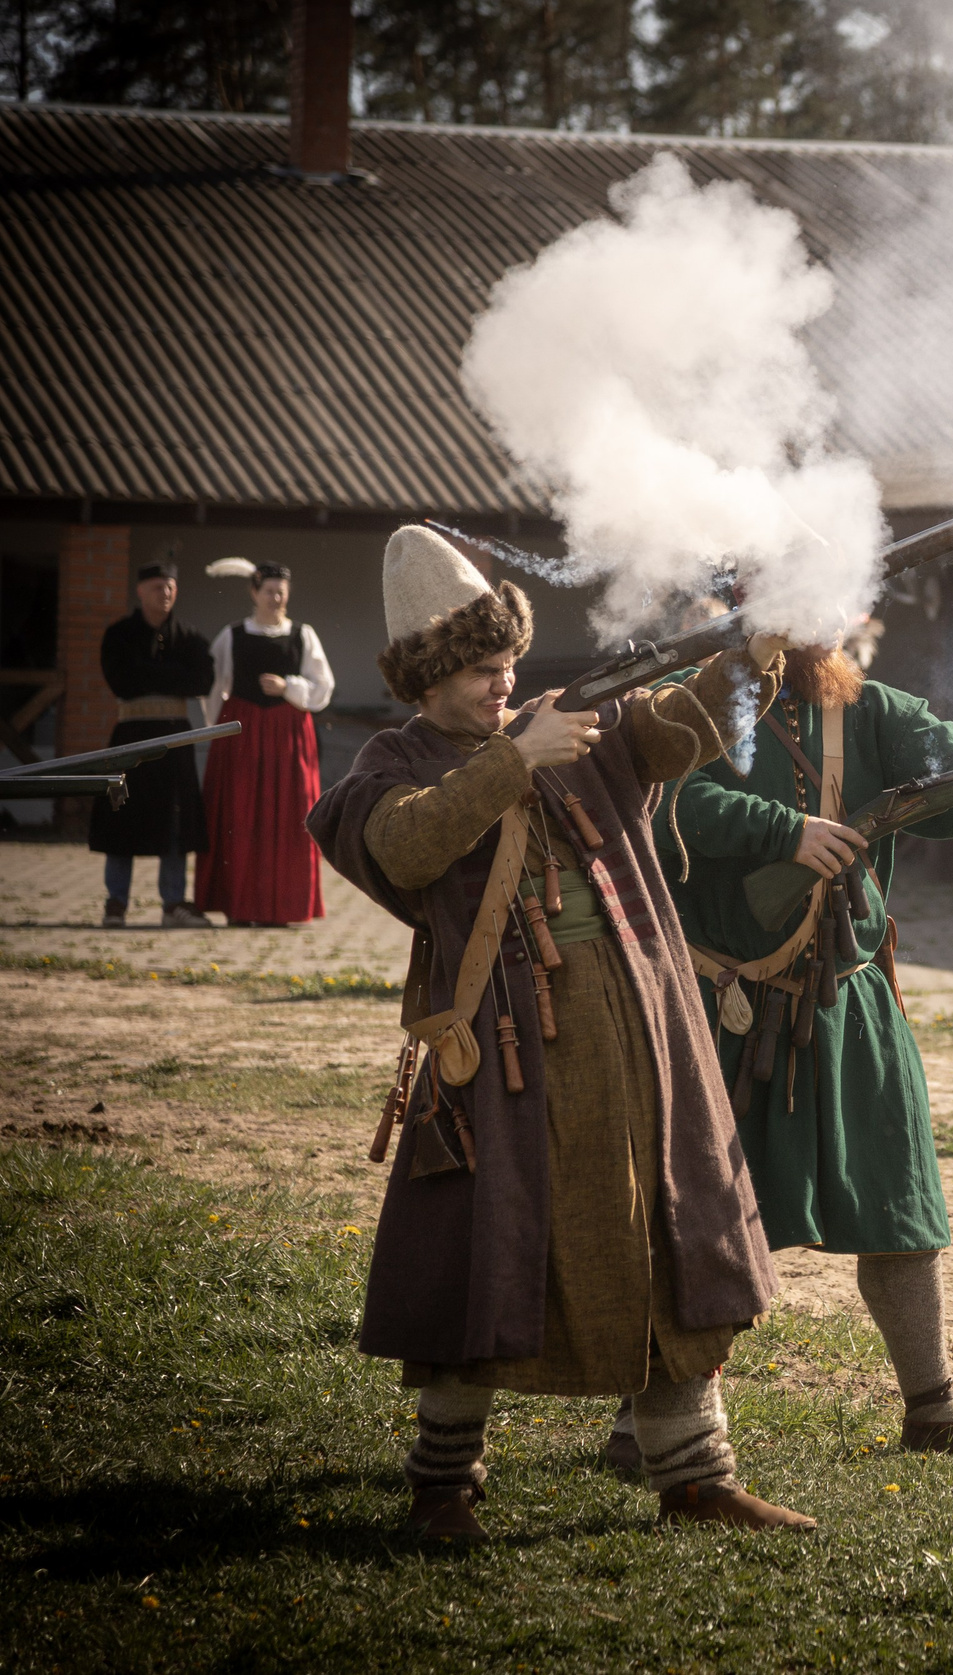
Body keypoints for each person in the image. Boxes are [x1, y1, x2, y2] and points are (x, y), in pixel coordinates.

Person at [307, 525, 811, 1541]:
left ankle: (694, 1473)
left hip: (635, 1013)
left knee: (673, 1231)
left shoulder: (564, 718)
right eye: (482, 669)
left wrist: (746, 658)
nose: (505, 682)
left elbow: (674, 729)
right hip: (495, 1040)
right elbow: (402, 847)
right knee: (477, 1247)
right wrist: (512, 760)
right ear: (428, 675)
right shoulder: (390, 763)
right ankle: (443, 1486)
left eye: (507, 663)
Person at [650, 626, 953, 1464]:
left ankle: (933, 1406)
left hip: (846, 990)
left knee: (900, 1211)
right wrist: (784, 831)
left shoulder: (871, 709)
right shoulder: (688, 705)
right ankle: (653, 1420)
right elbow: (658, 807)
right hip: (719, 993)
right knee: (698, 1219)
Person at [197, 560, 332, 926]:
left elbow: (323, 687)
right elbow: (214, 685)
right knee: (240, 815)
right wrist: (216, 729)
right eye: (269, 591)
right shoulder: (233, 634)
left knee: (289, 815)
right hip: (241, 734)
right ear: (253, 592)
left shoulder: (303, 634)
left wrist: (289, 687)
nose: (275, 598)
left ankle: (282, 908)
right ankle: (239, 906)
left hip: (288, 737)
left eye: (281, 592)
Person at [88, 563, 213, 928]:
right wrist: (173, 676)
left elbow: (201, 680)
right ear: (140, 591)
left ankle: (173, 902)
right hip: (130, 738)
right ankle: (116, 901)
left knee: (175, 819)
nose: (165, 593)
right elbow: (122, 681)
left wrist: (150, 674)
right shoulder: (119, 635)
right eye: (157, 587)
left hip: (175, 740)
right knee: (121, 815)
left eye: (171, 587)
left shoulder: (190, 638)